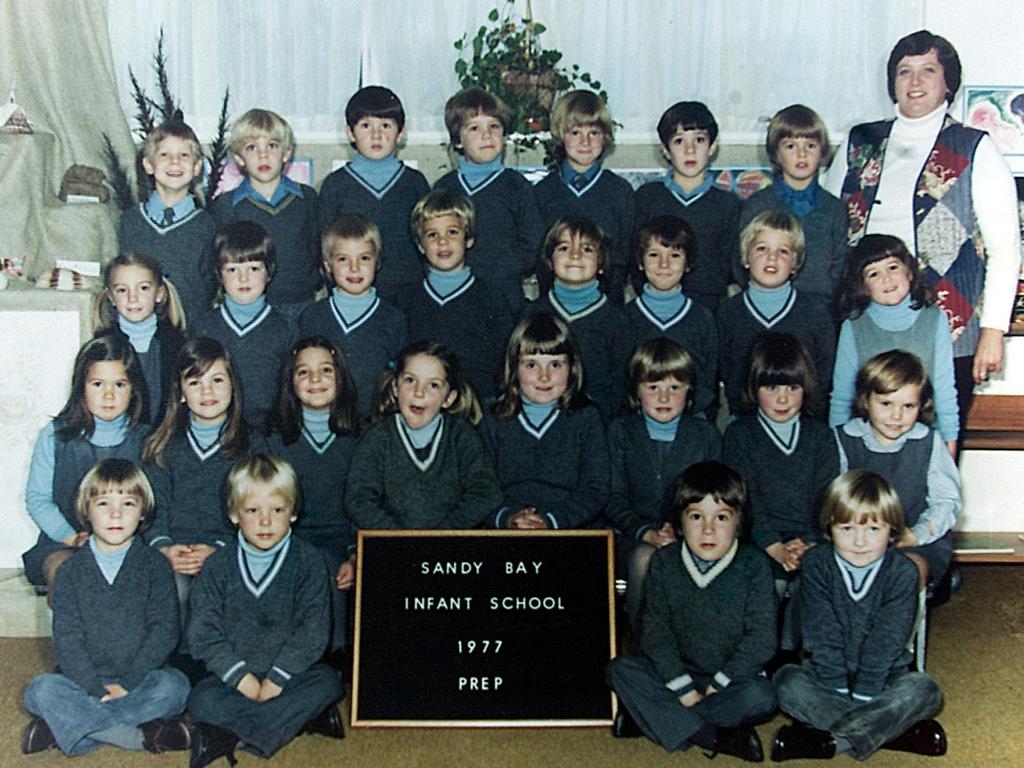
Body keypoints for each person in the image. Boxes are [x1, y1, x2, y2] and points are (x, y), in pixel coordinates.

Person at [826, 29, 1022, 426]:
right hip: (867, 324)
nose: (915, 82)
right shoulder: (860, 143)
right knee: (860, 448)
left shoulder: (974, 147)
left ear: (948, 81)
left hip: (948, 331)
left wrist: (993, 332)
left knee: (933, 449)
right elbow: (830, 228)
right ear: (892, 83)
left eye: (928, 70)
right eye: (904, 71)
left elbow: (1005, 250)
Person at [607, 461, 777, 763]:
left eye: (721, 517)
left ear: (738, 522)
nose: (708, 529)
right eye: (696, 517)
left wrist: (718, 683)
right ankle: (712, 735)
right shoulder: (665, 563)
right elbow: (656, 634)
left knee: (763, 697)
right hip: (676, 676)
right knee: (620, 670)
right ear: (679, 524)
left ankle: (657, 720)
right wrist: (683, 688)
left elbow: (761, 640)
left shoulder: (755, 566)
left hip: (729, 681)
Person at [771, 470, 946, 761]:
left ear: (892, 530)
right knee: (787, 682)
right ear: (830, 526)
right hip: (826, 678)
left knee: (925, 690)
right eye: (848, 529)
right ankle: (892, 734)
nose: (860, 541)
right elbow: (821, 634)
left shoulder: (903, 572)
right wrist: (839, 689)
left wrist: (865, 694)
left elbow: (887, 641)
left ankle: (829, 742)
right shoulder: (817, 565)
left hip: (885, 676)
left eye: (874, 530)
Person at [21, 459, 191, 757]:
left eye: (127, 503)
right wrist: (93, 688)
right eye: (103, 504)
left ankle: (69, 728)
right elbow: (68, 639)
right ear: (87, 511)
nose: (116, 513)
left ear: (142, 513)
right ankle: (131, 736)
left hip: (140, 680)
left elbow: (164, 632)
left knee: (176, 687)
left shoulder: (156, 566)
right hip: (83, 682)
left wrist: (128, 683)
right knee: (39, 691)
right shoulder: (70, 572)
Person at [187, 454, 345, 768]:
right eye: (252, 510)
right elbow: (203, 634)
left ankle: (232, 736)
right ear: (233, 514)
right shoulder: (217, 566)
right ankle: (295, 723)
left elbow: (313, 632)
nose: (265, 521)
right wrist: (242, 678)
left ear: (294, 512)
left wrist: (276, 679)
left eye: (277, 510)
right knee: (199, 698)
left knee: (329, 683)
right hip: (235, 680)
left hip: (288, 678)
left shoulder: (309, 561)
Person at [606, 338, 721, 627]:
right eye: (653, 387)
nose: (664, 398)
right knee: (646, 558)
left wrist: (681, 531)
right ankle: (645, 650)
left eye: (674, 387)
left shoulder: (705, 435)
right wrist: (645, 531)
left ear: (689, 390)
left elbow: (714, 497)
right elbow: (612, 496)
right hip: (632, 534)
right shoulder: (620, 432)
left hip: (692, 533)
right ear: (636, 391)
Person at [22, 334, 150, 591]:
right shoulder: (55, 436)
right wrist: (70, 536)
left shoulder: (146, 439)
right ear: (81, 386)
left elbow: (154, 501)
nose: (109, 395)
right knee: (65, 574)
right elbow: (38, 498)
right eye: (98, 384)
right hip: (66, 541)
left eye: (120, 385)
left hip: (128, 541)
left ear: (133, 389)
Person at [833, 350, 960, 594]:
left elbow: (946, 501)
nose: (897, 416)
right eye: (886, 404)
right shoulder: (844, 438)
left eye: (908, 406)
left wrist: (917, 535)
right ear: (865, 400)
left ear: (922, 405)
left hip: (913, 540)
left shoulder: (928, 442)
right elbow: (832, 503)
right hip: (855, 541)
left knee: (906, 575)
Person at [143, 337, 253, 618]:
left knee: (218, 590)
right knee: (172, 590)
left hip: (230, 548)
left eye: (217, 380)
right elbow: (155, 509)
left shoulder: (253, 446)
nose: (207, 391)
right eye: (194, 382)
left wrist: (219, 549)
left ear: (233, 385)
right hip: (173, 550)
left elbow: (256, 512)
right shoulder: (162, 446)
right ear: (180, 393)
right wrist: (164, 548)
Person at [344, 341, 502, 531]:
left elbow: (486, 492)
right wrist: (398, 538)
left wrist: (444, 533)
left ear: (449, 398)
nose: (419, 392)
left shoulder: (461, 436)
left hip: (449, 547)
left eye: (433, 385)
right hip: (394, 546)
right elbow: (357, 499)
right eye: (410, 380)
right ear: (395, 387)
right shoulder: (378, 437)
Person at [268, 336, 361, 652]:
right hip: (288, 544)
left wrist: (356, 555)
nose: (315, 380)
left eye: (325, 370)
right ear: (290, 382)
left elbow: (367, 504)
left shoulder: (360, 438)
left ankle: (334, 670)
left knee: (329, 572)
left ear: (341, 378)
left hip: (344, 545)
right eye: (303, 372)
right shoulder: (274, 441)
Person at [722, 333, 838, 582]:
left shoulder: (821, 436)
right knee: (761, 580)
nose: (783, 399)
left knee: (817, 580)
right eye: (772, 388)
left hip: (812, 542)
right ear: (754, 387)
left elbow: (828, 497)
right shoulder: (739, 435)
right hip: (759, 542)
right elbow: (744, 499)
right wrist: (774, 546)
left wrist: (808, 542)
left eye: (793, 388)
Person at [830, 234, 958, 452]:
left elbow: (944, 390)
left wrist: (950, 443)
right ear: (862, 285)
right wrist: (837, 448)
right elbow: (842, 396)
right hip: (868, 442)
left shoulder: (934, 319)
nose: (886, 279)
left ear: (909, 271)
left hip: (922, 439)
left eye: (892, 267)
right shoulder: (854, 325)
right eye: (873, 274)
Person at [481, 314, 610, 530]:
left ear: (572, 368)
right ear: (513, 368)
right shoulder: (494, 419)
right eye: (531, 365)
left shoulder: (586, 417)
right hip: (508, 530)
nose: (544, 376)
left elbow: (595, 490)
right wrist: (508, 518)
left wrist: (551, 521)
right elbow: (480, 487)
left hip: (569, 528)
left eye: (556, 365)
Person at [433, 88, 545, 313]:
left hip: (504, 293)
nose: (486, 135)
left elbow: (533, 241)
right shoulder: (444, 188)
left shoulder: (516, 186)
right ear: (457, 141)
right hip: (456, 291)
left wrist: (502, 269)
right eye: (474, 128)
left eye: (494, 126)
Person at [716, 210, 835, 417]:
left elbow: (822, 379)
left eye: (783, 251)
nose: (772, 257)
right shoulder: (728, 313)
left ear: (795, 264)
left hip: (803, 424)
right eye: (762, 248)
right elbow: (729, 375)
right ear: (746, 258)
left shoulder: (816, 314)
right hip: (746, 426)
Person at [318, 85, 430, 302]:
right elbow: (325, 247)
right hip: (350, 293)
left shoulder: (414, 182)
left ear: (401, 133)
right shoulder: (335, 185)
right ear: (350, 133)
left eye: (386, 125)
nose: (376, 135)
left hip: (409, 293)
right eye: (366, 125)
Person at [399, 189, 513, 403]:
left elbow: (504, 363)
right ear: (421, 246)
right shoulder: (407, 301)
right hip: (424, 404)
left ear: (468, 239)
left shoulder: (491, 298)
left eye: (452, 232)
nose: (443, 242)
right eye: (432, 235)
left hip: (480, 404)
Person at [191, 221, 298, 434]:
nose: (243, 278)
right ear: (219, 275)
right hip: (217, 431)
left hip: (268, 434)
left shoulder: (286, 329)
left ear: (269, 272)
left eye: (253, 268)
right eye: (232, 269)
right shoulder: (203, 327)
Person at [210, 108, 320, 315]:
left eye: (272, 146)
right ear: (239, 158)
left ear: (286, 153)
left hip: (301, 302)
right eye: (252, 148)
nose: (263, 155)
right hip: (248, 304)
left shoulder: (306, 198)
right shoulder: (227, 205)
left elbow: (316, 247)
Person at [736, 104, 847, 305]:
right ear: (776, 153)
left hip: (820, 307)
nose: (802, 154)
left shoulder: (834, 208)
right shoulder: (757, 205)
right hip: (767, 302)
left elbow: (840, 266)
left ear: (822, 152)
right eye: (791, 146)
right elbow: (740, 261)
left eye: (810, 146)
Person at [522, 216, 630, 422]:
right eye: (564, 248)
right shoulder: (531, 313)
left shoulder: (617, 320)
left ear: (601, 264)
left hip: (599, 423)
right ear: (550, 261)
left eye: (587, 249)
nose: (575, 254)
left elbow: (620, 387)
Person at [635, 101, 739, 311]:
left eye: (699, 140)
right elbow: (635, 258)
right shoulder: (647, 198)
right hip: (654, 302)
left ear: (712, 146)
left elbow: (729, 266)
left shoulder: (727, 204)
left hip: (706, 306)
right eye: (679, 141)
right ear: (665, 150)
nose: (690, 150)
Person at [299, 213, 407, 416]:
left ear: (378, 261)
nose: (354, 267)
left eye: (364, 258)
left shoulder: (392, 318)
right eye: (342, 259)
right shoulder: (312, 317)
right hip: (326, 422)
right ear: (327, 265)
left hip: (375, 422)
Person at [533, 89, 635, 303]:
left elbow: (625, 255)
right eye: (575, 133)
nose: (585, 142)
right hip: (555, 303)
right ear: (560, 135)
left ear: (605, 137)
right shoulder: (542, 192)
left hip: (606, 305)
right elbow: (541, 257)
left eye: (594, 133)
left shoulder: (619, 191)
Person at [117, 118, 217, 324]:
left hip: (191, 330)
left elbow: (210, 283)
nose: (175, 161)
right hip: (141, 329)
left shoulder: (207, 226)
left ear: (197, 167)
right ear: (148, 165)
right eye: (165, 155)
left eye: (184, 155)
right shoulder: (130, 221)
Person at [623, 215, 719, 418]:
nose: (664, 264)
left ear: (688, 264)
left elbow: (708, 384)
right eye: (654, 255)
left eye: (674, 256)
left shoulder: (702, 318)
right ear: (640, 262)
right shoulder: (625, 318)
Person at [94, 252, 186, 425]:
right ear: (111, 298)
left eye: (143, 288)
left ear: (159, 293)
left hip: (168, 439)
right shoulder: (101, 347)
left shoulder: (177, 344)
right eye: (122, 290)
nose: (133, 298)